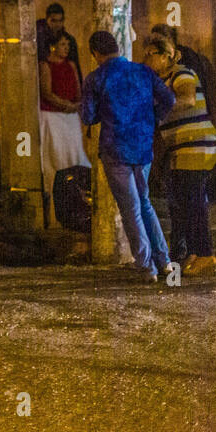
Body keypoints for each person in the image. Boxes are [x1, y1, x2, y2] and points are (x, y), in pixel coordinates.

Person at [79, 30, 176, 282]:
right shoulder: (143, 72)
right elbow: (168, 99)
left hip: (115, 149)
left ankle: (146, 267)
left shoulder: (96, 78)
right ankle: (164, 261)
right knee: (145, 203)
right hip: (143, 147)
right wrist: (151, 118)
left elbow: (88, 116)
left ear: (95, 53)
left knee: (131, 208)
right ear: (117, 48)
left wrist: (106, 111)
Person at [143, 34, 216, 274]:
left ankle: (206, 255)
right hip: (182, 148)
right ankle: (196, 252)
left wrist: (158, 105)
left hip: (196, 144)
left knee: (194, 201)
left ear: (166, 56)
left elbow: (186, 99)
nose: (146, 59)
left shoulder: (181, 73)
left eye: (151, 54)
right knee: (184, 201)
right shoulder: (161, 80)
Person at [38, 30, 89, 226]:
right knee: (56, 159)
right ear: (53, 46)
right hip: (52, 116)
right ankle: (54, 214)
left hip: (70, 117)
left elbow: (78, 88)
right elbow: (47, 92)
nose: (66, 49)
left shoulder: (71, 65)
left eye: (68, 45)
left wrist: (75, 105)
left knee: (75, 157)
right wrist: (65, 105)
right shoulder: (45, 65)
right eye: (62, 45)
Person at [37, 3, 83, 78]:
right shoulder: (40, 38)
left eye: (60, 21)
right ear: (47, 20)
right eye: (53, 21)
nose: (57, 24)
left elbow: (75, 65)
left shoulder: (69, 40)